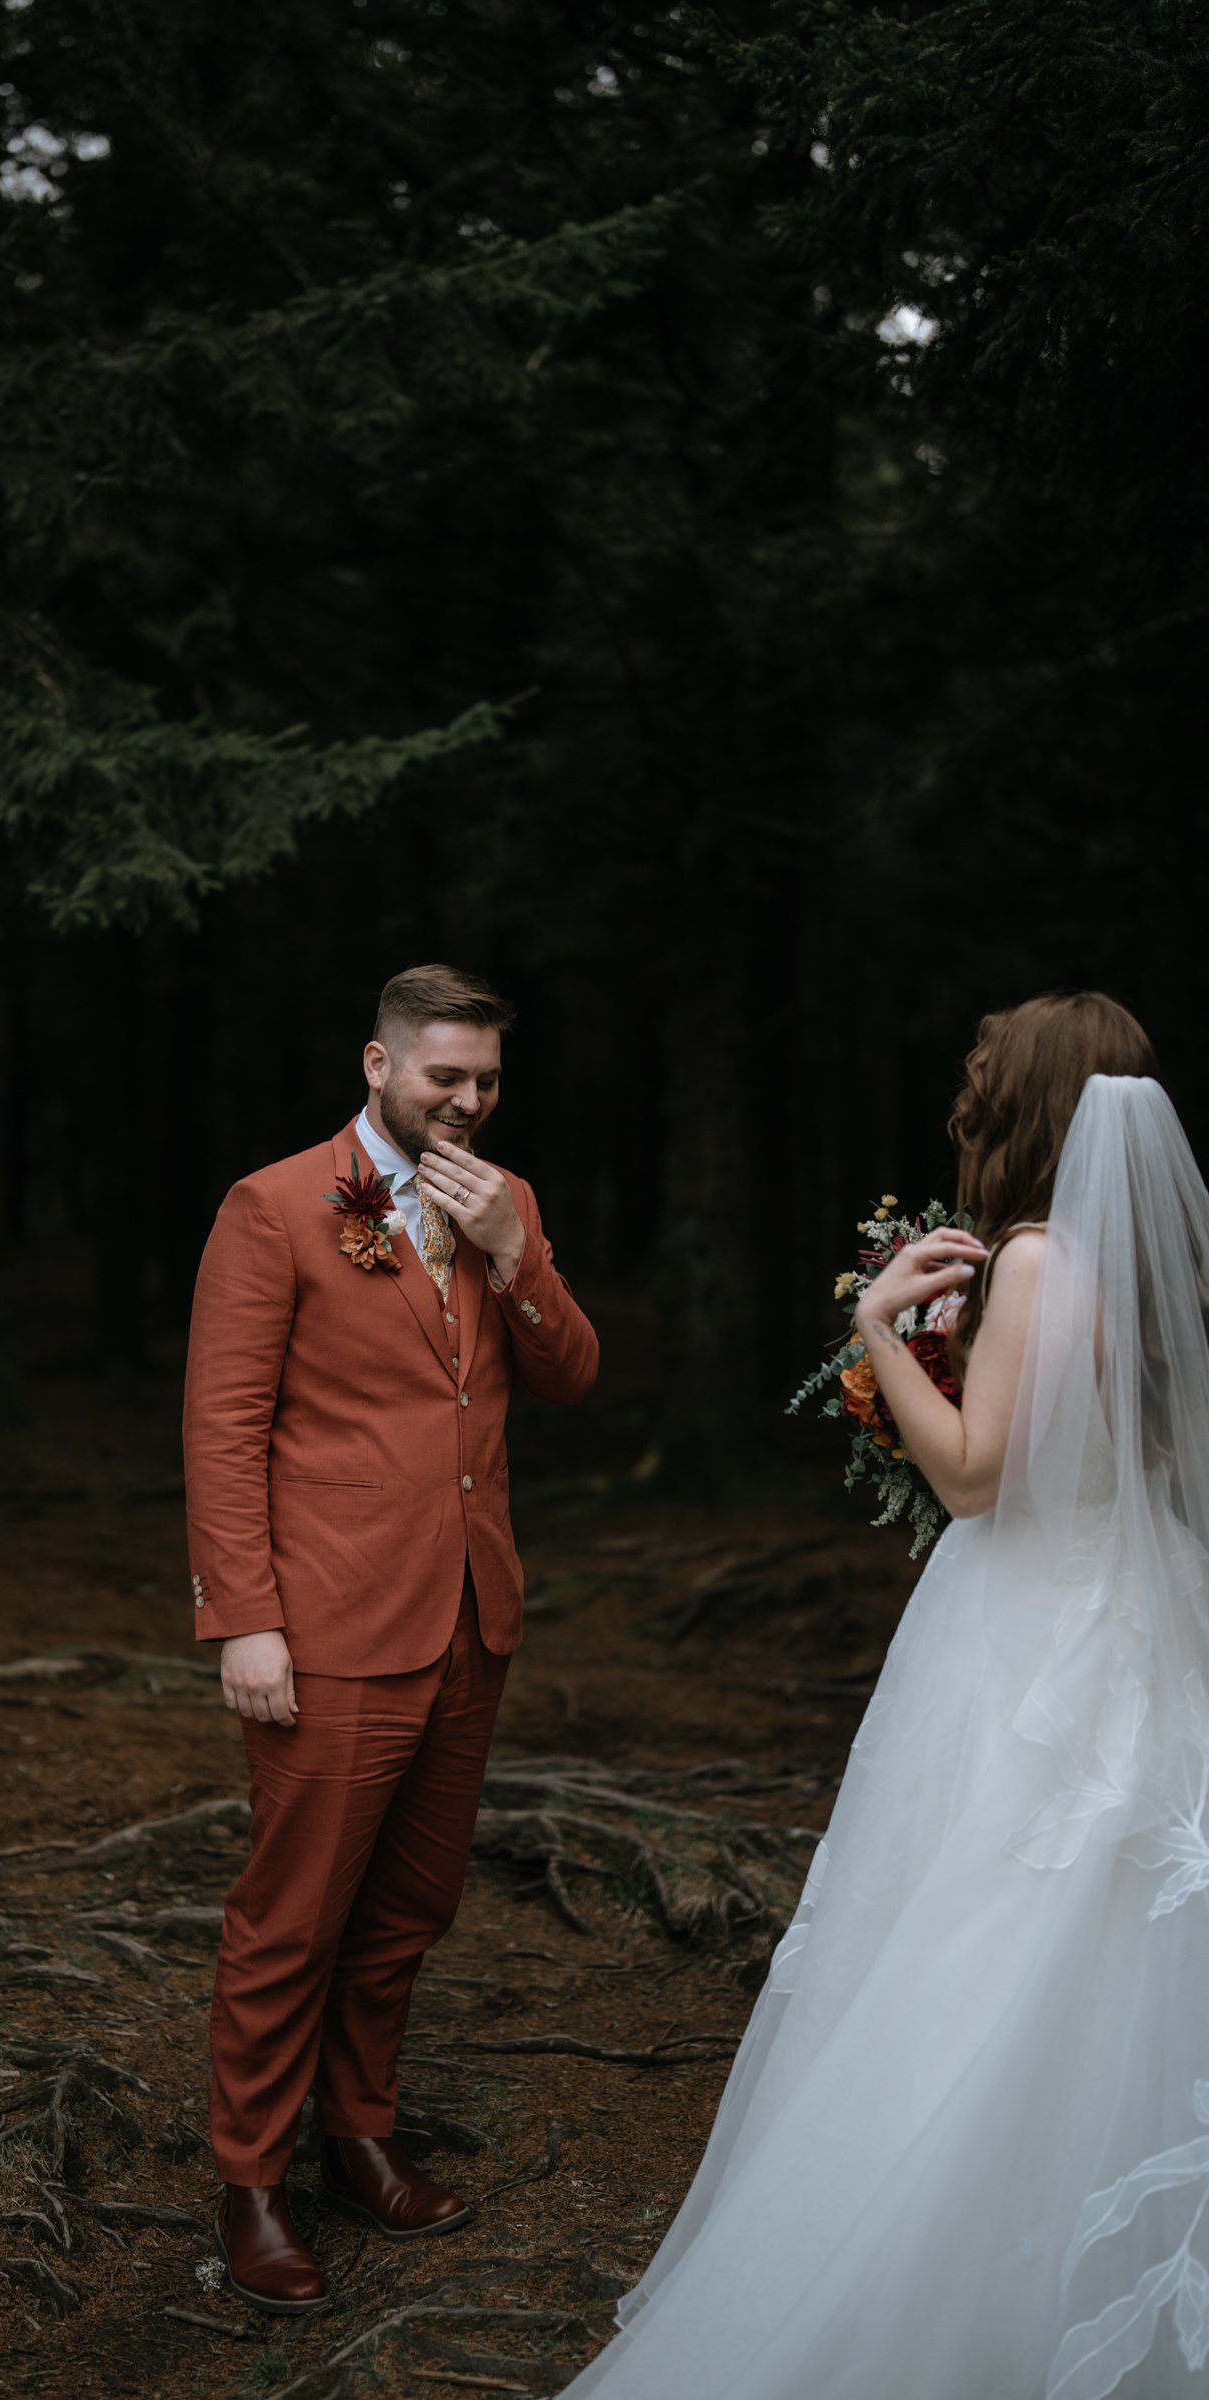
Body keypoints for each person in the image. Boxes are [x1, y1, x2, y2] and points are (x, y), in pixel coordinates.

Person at [564, 991, 1209, 2400]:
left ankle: (918, 2277)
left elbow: (975, 1476)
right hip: (1135, 1630)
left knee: (967, 1940)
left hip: (1025, 1632)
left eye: (984, 1086)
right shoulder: (1150, 1266)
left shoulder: (1039, 1255)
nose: (967, 1105)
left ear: (1026, 1107)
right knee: (1090, 1955)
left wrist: (875, 1331)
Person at [183, 963, 599, 2314]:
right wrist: (246, 1620)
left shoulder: (508, 1203)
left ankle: (359, 2131)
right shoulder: (275, 1206)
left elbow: (571, 1372)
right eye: (444, 1078)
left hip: (471, 1615)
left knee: (410, 1910)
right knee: (292, 1916)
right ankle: (252, 2181)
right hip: (332, 1622)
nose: (467, 1102)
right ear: (379, 1065)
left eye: (485, 1080)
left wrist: (510, 1255)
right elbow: (224, 1427)